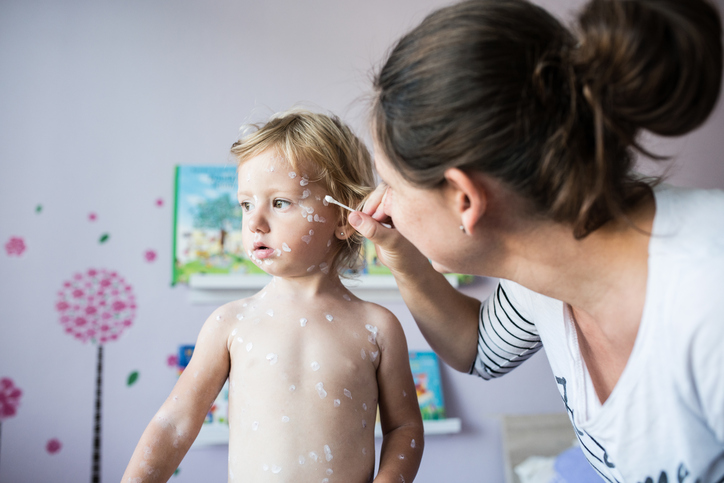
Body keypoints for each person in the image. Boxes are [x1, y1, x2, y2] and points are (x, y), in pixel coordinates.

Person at [347, 0, 724, 481]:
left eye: (393, 186)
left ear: (464, 198)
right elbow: (477, 348)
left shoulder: (709, 297)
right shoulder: (543, 262)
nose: (384, 203)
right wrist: (403, 257)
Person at [121, 109, 424, 483]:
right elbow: (174, 423)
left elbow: (404, 428)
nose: (254, 222)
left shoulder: (378, 327)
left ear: (345, 218)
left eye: (280, 203)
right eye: (246, 204)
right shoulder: (230, 324)